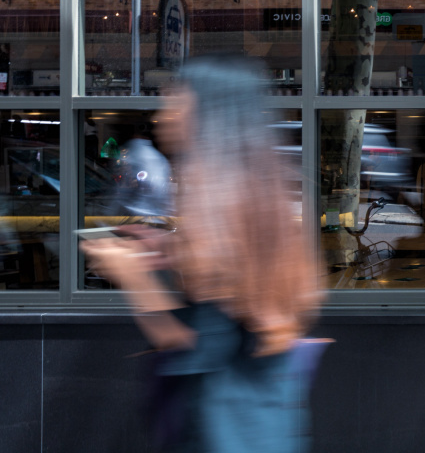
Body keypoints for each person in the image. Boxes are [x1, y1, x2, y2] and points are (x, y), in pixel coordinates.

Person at [81, 56, 323, 452]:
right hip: (263, 426)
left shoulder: (221, 204)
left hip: (220, 432)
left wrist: (131, 275)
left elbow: (191, 346)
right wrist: (170, 250)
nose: (165, 113)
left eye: (178, 99)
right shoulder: (256, 195)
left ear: (210, 113)